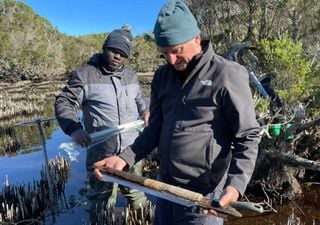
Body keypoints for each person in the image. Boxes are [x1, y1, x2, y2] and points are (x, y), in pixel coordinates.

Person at [93, 1, 261, 225]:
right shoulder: (162, 76)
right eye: (164, 53)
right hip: (165, 189)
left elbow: (247, 136)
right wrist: (124, 158)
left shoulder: (227, 75)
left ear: (197, 40)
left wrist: (235, 186)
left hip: (203, 198)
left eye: (177, 50)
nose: (171, 60)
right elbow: (154, 129)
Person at [54, 25, 148, 223]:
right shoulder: (85, 74)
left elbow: (139, 99)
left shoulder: (131, 75)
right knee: (101, 201)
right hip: (101, 152)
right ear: (105, 48)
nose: (117, 56)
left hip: (132, 150)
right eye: (114, 50)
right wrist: (74, 128)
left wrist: (145, 110)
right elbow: (65, 102)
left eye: (123, 53)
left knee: (138, 195)